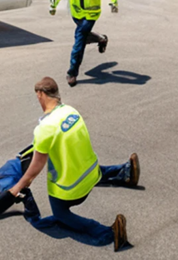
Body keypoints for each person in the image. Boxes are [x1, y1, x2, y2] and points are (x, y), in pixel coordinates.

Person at [8, 77, 139, 252]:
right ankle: (125, 171)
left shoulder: (44, 128)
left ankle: (109, 232)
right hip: (91, 173)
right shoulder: (71, 111)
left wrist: (17, 187)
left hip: (70, 189)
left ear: (40, 94)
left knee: (61, 215)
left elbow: (35, 168)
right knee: (91, 169)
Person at [50, 0, 119, 87]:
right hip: (76, 12)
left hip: (91, 14)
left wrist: (114, 2)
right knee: (83, 34)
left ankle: (72, 72)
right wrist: (53, 4)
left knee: (79, 41)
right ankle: (100, 38)